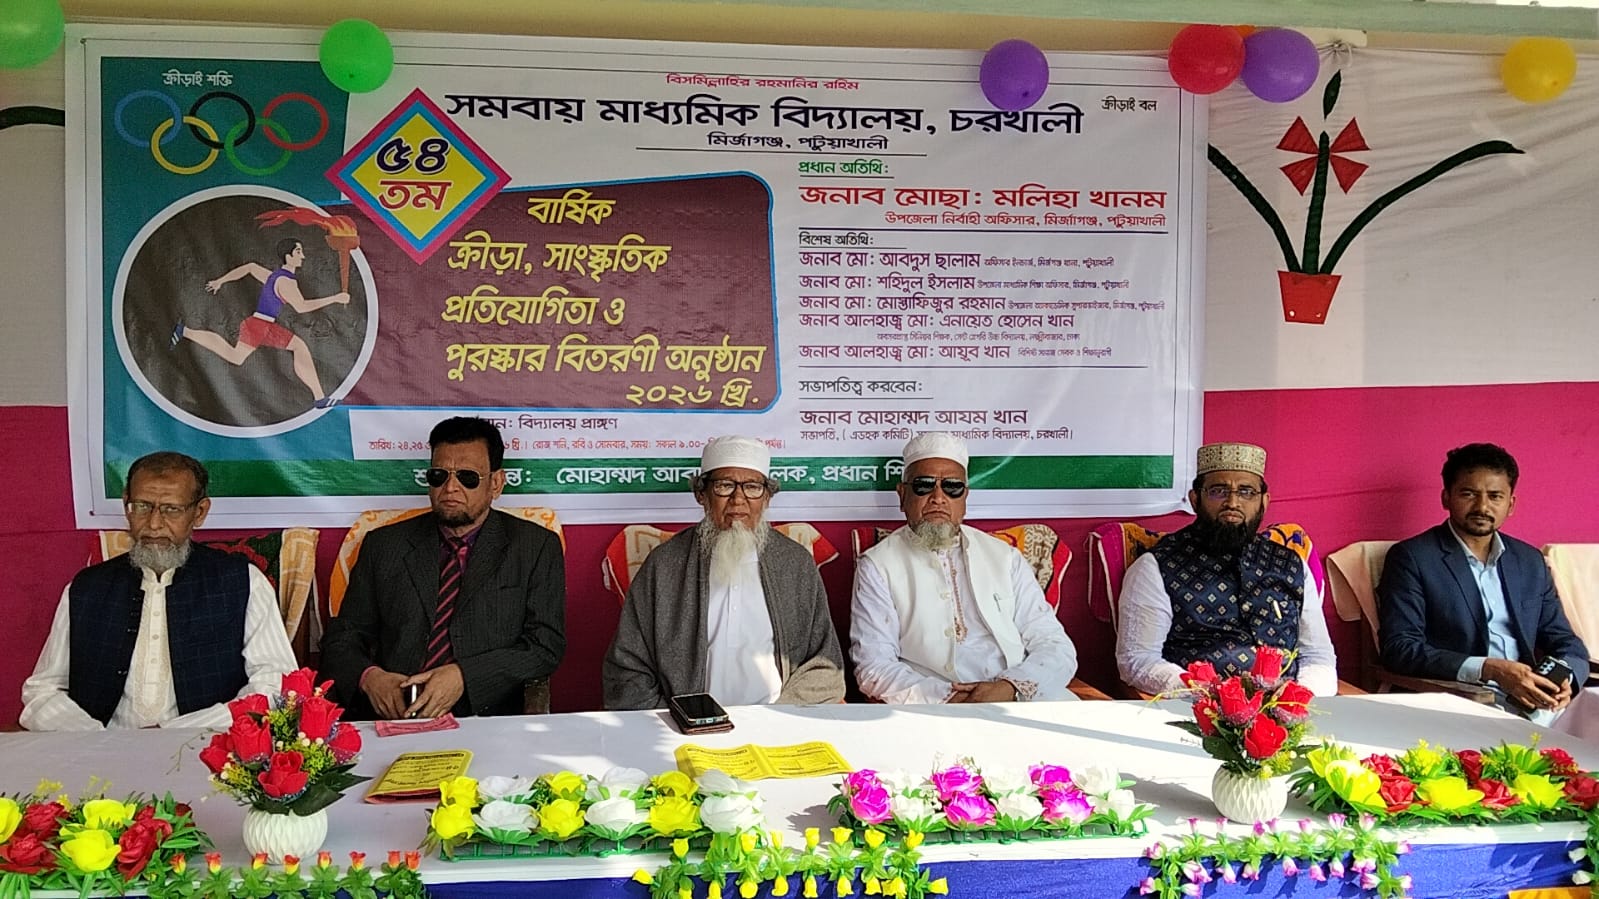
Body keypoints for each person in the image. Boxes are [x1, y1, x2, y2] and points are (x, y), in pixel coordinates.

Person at [20, 452, 297, 730]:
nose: (154, 524)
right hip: (100, 748)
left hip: (207, 746)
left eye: (171, 509)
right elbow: (42, 692)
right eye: (142, 506)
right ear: (126, 505)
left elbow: (277, 685)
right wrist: (95, 737)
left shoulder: (243, 582)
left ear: (199, 512)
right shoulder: (87, 588)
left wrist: (175, 733)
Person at [321, 417, 565, 719]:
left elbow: (545, 646)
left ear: (496, 483)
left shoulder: (535, 547)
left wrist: (464, 676)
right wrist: (370, 678)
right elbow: (343, 637)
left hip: (486, 716)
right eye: (438, 475)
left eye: (467, 477)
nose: (450, 488)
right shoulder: (384, 545)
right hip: (393, 715)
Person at [603, 436, 845, 709]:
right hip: (686, 721)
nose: (738, 499)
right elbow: (627, 668)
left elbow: (824, 664)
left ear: (767, 498)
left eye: (752, 487)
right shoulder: (665, 564)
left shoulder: (795, 563)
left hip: (779, 717)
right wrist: (674, 719)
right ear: (701, 494)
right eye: (724, 485)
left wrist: (780, 717)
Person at [851, 432, 1078, 703]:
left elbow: (1054, 644)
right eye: (923, 486)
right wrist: (954, 699)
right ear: (902, 495)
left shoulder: (1005, 557)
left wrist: (1010, 688)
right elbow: (873, 665)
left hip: (1019, 696)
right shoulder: (877, 566)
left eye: (952, 487)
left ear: (965, 497)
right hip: (934, 705)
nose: (938, 497)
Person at [1379, 443, 1587, 722]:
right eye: (1468, 494)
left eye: (1495, 496)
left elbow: (1566, 642)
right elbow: (1400, 648)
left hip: (1535, 700)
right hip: (1462, 700)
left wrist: (1565, 676)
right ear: (1446, 497)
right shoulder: (1413, 558)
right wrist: (1489, 668)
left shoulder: (1529, 561)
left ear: (1510, 504)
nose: (1482, 507)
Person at [1115, 442, 1338, 697]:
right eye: (1218, 491)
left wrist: (1299, 699)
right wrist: (1206, 693)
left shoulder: (1291, 565)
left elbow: (1317, 655)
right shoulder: (1157, 566)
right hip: (1196, 709)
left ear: (1264, 502)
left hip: (1287, 710)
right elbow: (1138, 659)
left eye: (1246, 492)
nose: (1232, 502)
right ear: (1195, 499)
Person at [174, 238, 350, 409]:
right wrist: (335, 298)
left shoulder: (274, 276)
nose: (302, 256)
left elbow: (250, 268)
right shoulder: (286, 282)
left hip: (262, 325)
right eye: (298, 252)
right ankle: (319, 398)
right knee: (245, 355)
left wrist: (221, 280)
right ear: (288, 256)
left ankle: (185, 331)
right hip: (260, 326)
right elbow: (301, 307)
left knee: (245, 355)